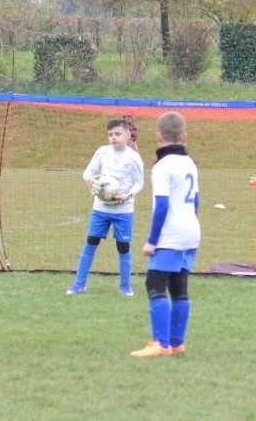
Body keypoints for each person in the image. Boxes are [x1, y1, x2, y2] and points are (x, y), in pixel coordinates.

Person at [133, 110, 200, 359]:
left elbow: (161, 206)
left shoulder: (162, 166)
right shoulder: (189, 162)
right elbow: (196, 201)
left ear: (158, 136)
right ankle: (176, 343)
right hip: (191, 231)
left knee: (155, 284)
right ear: (184, 136)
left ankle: (161, 343)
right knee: (178, 286)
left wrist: (152, 241)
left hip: (171, 234)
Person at [68, 117, 146, 296]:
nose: (113, 137)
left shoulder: (134, 158)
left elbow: (139, 183)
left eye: (118, 134)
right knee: (91, 242)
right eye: (110, 134)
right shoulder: (102, 152)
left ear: (128, 135)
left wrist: (127, 195)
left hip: (124, 211)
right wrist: (91, 180)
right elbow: (87, 172)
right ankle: (79, 284)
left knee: (123, 247)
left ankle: (125, 286)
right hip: (101, 209)